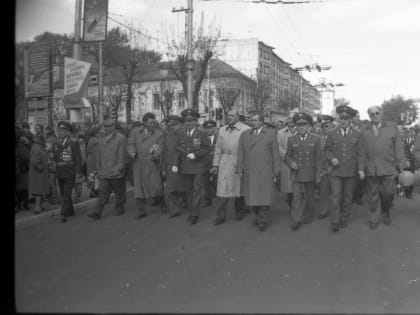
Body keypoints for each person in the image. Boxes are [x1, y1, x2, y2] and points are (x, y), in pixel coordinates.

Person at [360, 106, 408, 229]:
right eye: (372, 114)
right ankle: (374, 219)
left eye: (377, 113)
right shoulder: (365, 130)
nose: (375, 116)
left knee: (388, 194)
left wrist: (401, 166)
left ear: (381, 113)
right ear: (369, 116)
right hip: (372, 168)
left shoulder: (392, 127)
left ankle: (385, 211)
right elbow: (361, 152)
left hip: (388, 167)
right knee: (373, 195)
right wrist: (361, 168)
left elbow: (398, 147)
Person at [237, 113, 281, 231]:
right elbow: (241, 153)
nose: (252, 122)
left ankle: (262, 219)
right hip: (250, 170)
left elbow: (275, 153)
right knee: (252, 196)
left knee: (264, 196)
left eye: (255, 120)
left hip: (265, 170)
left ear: (261, 122)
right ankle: (257, 215)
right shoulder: (245, 135)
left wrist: (276, 169)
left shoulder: (270, 134)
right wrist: (239, 169)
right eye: (251, 120)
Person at [324, 106, 364, 232]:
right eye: (341, 118)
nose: (343, 120)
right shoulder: (331, 133)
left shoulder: (358, 134)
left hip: (350, 171)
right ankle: (335, 221)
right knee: (335, 196)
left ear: (350, 119)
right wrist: (332, 158)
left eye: (346, 118)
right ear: (338, 118)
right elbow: (327, 149)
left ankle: (344, 218)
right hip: (336, 171)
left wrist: (361, 169)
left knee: (347, 197)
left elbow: (361, 153)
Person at [212, 109, 250, 226]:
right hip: (224, 161)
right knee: (223, 190)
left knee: (239, 188)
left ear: (238, 117)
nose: (229, 117)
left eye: (232, 115)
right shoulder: (222, 130)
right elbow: (218, 148)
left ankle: (240, 210)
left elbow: (248, 149)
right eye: (228, 115)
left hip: (238, 160)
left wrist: (245, 164)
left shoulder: (245, 129)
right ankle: (221, 215)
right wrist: (215, 164)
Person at [285, 112, 322, 231]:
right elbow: (287, 156)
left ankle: (309, 214)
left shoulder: (316, 139)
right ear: (296, 126)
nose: (301, 128)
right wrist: (291, 163)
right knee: (296, 198)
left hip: (310, 173)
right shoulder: (291, 139)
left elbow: (318, 159)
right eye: (299, 125)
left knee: (309, 196)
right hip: (297, 174)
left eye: (304, 125)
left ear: (308, 126)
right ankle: (296, 219)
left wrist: (318, 176)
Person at [87, 119, 127, 220]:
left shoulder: (121, 138)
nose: (106, 128)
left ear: (113, 127)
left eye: (108, 126)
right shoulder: (101, 138)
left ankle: (119, 207)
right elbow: (99, 154)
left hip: (116, 171)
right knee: (102, 192)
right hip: (103, 171)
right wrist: (97, 168)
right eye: (105, 126)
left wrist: (118, 168)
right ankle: (97, 212)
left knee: (119, 192)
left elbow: (122, 156)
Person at [128, 112, 165, 220]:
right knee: (139, 189)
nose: (152, 124)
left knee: (156, 186)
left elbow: (159, 147)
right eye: (150, 123)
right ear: (144, 123)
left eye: (154, 122)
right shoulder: (135, 132)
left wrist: (155, 156)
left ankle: (161, 203)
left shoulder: (159, 134)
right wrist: (132, 151)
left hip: (151, 163)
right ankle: (141, 210)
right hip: (138, 164)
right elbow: (130, 143)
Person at [177, 109, 211, 225]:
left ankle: (194, 214)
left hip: (198, 166)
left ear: (196, 121)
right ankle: (191, 211)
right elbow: (177, 149)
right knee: (188, 190)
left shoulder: (202, 134)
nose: (189, 123)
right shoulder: (180, 133)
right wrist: (175, 165)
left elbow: (207, 149)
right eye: (187, 121)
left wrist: (195, 154)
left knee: (196, 190)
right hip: (185, 166)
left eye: (191, 120)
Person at [52, 121, 83, 223]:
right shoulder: (55, 143)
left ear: (68, 131)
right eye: (59, 130)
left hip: (70, 171)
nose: (61, 132)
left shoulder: (73, 142)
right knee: (63, 193)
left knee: (66, 193)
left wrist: (78, 173)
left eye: (63, 130)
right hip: (60, 172)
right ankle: (70, 211)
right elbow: (54, 158)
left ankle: (63, 213)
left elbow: (78, 159)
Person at [161, 115, 188, 218]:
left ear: (181, 124)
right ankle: (174, 209)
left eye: (175, 125)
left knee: (185, 187)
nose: (172, 127)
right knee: (170, 189)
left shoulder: (187, 135)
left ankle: (186, 202)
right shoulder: (167, 136)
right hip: (171, 166)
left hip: (184, 166)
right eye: (170, 125)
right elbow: (165, 152)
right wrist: (163, 167)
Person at [277, 112, 297, 209]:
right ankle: (291, 207)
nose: (291, 120)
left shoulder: (301, 130)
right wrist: (288, 158)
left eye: (293, 118)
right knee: (289, 189)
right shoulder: (281, 133)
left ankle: (298, 209)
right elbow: (279, 147)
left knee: (299, 187)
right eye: (289, 118)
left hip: (299, 163)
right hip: (286, 163)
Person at [317, 115, 334, 219]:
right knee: (324, 191)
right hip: (323, 169)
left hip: (335, 168)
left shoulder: (337, 137)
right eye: (324, 126)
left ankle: (338, 210)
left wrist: (331, 167)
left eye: (327, 126)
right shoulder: (318, 138)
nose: (325, 128)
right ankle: (324, 211)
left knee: (337, 193)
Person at [28, 135, 49, 214]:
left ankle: (40, 206)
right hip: (38, 173)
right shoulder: (38, 147)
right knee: (39, 191)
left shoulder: (36, 146)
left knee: (40, 190)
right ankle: (37, 208)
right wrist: (41, 167)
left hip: (37, 173)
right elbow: (35, 161)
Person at [202, 119, 218, 207]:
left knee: (216, 182)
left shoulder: (219, 138)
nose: (209, 130)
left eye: (211, 128)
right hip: (205, 164)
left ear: (214, 128)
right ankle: (208, 200)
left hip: (216, 164)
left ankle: (218, 195)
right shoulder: (201, 138)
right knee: (206, 183)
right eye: (207, 128)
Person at [15, 132, 31, 212]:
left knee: (19, 189)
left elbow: (26, 157)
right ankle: (24, 204)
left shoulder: (21, 147)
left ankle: (20, 205)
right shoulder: (25, 147)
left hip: (21, 170)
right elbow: (27, 157)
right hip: (23, 170)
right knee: (23, 188)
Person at [401, 126, 416, 199]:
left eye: (409, 132)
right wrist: (406, 160)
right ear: (404, 133)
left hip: (412, 161)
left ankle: (409, 193)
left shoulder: (415, 141)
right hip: (403, 161)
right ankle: (401, 190)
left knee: (411, 177)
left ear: (412, 133)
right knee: (403, 176)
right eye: (407, 132)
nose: (408, 133)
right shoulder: (401, 141)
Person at [86, 125, 100, 198]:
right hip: (94, 160)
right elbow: (97, 153)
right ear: (97, 133)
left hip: (90, 159)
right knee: (95, 175)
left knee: (91, 176)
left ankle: (93, 191)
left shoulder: (91, 139)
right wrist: (98, 165)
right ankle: (95, 191)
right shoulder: (96, 141)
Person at [74, 135, 87, 203]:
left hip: (80, 166)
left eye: (82, 141)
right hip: (75, 166)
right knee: (77, 183)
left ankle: (77, 198)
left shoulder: (85, 146)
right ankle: (77, 198)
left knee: (78, 184)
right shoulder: (75, 146)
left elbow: (84, 156)